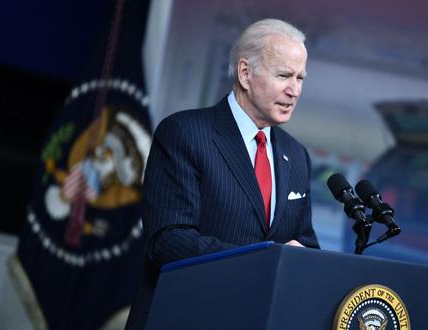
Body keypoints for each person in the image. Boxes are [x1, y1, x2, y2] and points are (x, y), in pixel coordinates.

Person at [125, 18, 319, 329]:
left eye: (300, 78)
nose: (294, 90)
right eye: (284, 75)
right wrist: (265, 258)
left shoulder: (295, 155)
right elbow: (168, 240)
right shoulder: (185, 132)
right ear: (245, 73)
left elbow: (304, 245)